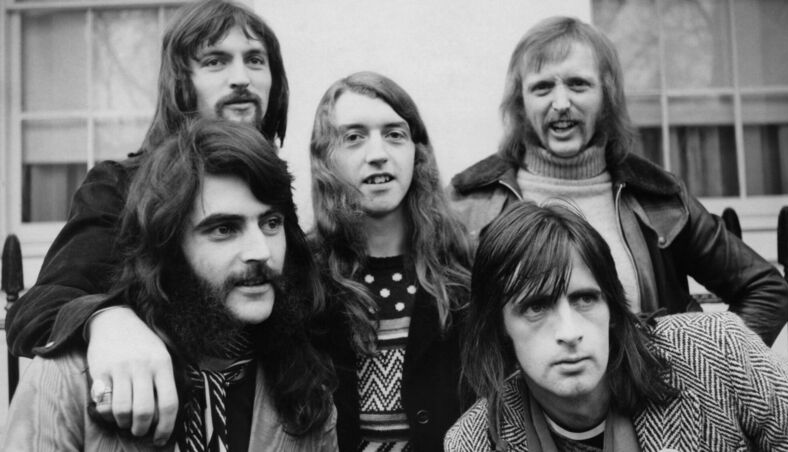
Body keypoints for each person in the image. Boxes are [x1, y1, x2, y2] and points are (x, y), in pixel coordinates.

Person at [5, 0, 288, 443]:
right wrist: (106, 319)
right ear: (181, 82)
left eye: (255, 60)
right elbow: (39, 307)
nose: (241, 78)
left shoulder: (273, 187)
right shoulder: (120, 186)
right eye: (215, 61)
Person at [446, 16, 788, 345]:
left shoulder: (659, 198)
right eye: (542, 87)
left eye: (578, 84)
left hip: (646, 389)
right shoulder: (470, 204)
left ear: (606, 96)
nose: (561, 103)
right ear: (520, 102)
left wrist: (703, 366)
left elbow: (767, 291)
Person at [3, 119, 337, 451]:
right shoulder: (70, 379)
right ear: (169, 248)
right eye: (224, 229)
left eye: (271, 223)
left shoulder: (304, 389)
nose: (261, 252)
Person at [445, 201, 788, 452]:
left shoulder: (715, 349)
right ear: (500, 327)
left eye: (585, 299)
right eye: (536, 307)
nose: (569, 332)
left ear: (612, 309)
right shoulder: (473, 443)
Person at [308, 71, 473, 451]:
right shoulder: (305, 275)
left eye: (395, 134)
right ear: (325, 158)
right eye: (353, 137)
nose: (378, 154)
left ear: (417, 151)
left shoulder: (464, 267)